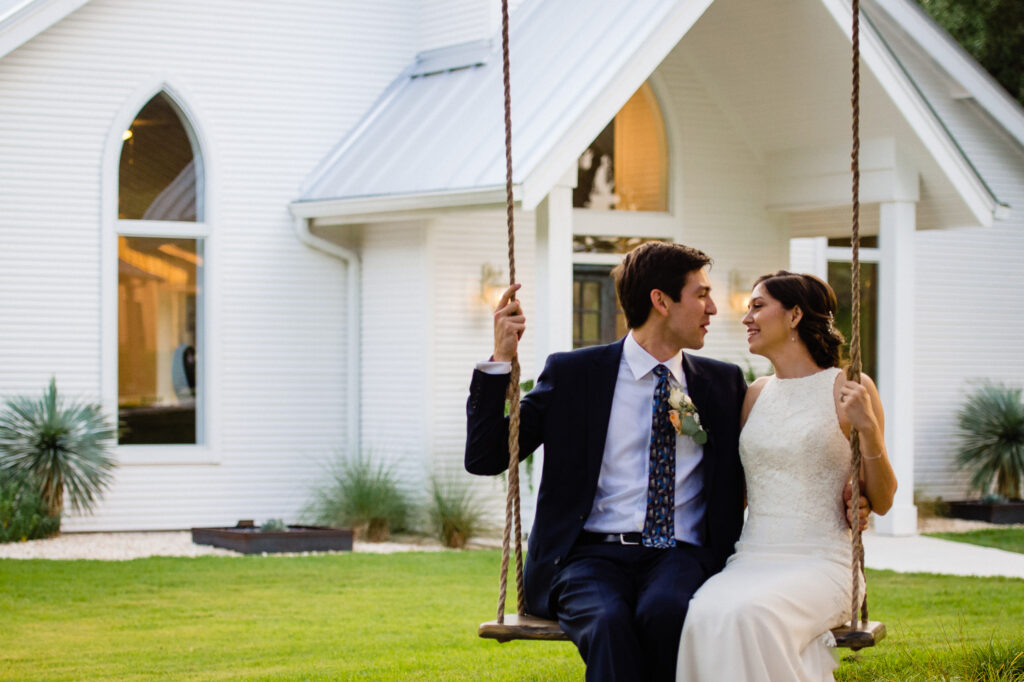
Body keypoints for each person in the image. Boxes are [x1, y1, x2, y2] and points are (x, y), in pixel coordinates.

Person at [466, 242, 748, 681]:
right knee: (608, 622)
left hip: (680, 555)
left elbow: (765, 457)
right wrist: (501, 359)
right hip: (587, 556)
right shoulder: (575, 374)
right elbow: (486, 457)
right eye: (700, 294)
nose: (712, 307)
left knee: (666, 612)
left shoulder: (722, 383)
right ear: (660, 300)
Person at [676, 271, 898, 682]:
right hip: (753, 557)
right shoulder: (755, 394)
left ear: (795, 314)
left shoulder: (849, 386)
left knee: (754, 615)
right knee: (704, 612)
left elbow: (883, 499)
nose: (747, 319)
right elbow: (737, 489)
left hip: (821, 561)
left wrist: (866, 429)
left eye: (758, 306)